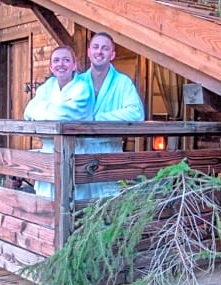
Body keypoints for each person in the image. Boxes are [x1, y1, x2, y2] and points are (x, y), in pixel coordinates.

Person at [78, 32, 145, 197]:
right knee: (79, 208)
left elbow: (136, 113)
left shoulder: (123, 82)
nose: (99, 52)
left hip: (110, 152)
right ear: (88, 51)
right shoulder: (77, 82)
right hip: (80, 152)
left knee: (109, 206)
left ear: (112, 55)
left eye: (105, 48)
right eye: (95, 47)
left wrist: (98, 119)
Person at [23, 46, 94, 198]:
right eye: (56, 60)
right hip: (48, 153)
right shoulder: (47, 87)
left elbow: (64, 115)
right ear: (51, 67)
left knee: (73, 203)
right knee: (45, 203)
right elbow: (29, 111)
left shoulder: (82, 88)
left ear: (74, 65)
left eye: (66, 60)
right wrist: (52, 111)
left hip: (75, 154)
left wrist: (44, 110)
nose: (60, 64)